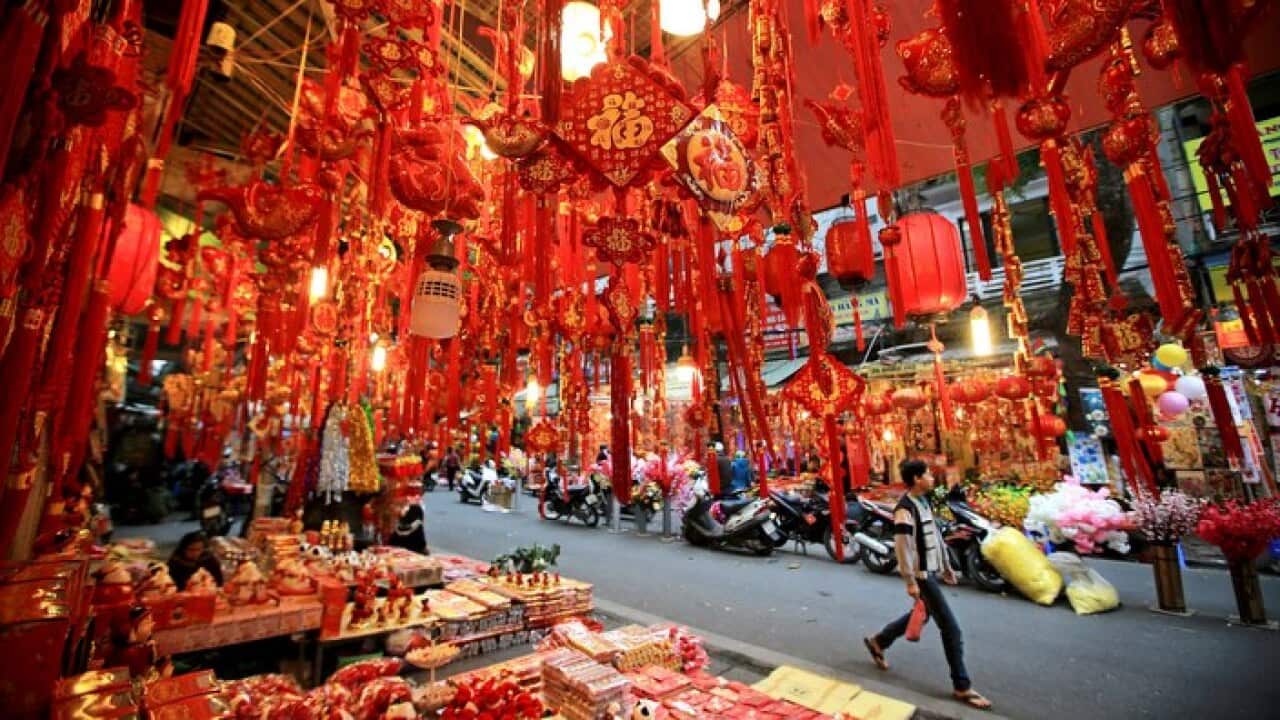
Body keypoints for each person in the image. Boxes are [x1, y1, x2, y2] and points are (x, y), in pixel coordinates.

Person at [863, 459, 991, 711]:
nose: (932, 477)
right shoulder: (905, 509)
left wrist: (945, 565)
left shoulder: (924, 502)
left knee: (923, 614)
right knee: (951, 630)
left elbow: (934, 537)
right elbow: (903, 547)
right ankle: (962, 685)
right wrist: (910, 581)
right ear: (917, 479)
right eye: (928, 474)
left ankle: (880, 640)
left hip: (930, 571)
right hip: (921, 576)